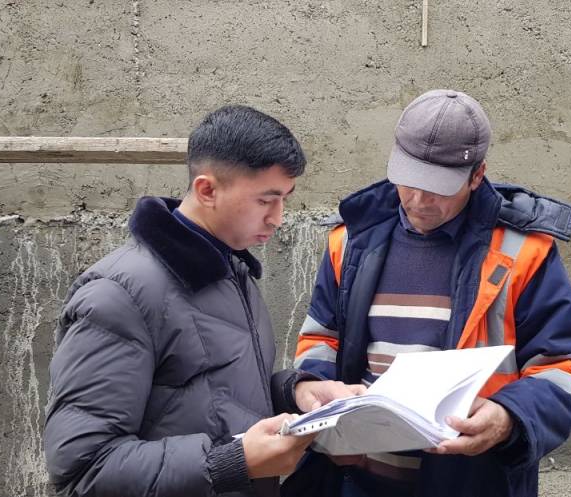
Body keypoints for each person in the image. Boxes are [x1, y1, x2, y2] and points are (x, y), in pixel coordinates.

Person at [287, 90, 571, 497]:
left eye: (438, 188)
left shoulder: (522, 252)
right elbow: (320, 340)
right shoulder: (350, 241)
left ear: (477, 176)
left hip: (472, 482)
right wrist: (318, 394)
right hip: (353, 483)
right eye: (410, 181)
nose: (419, 200)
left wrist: (508, 417)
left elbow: (570, 370)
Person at [44, 105, 364, 497]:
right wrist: (232, 462)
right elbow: (81, 469)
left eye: (284, 199)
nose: (278, 218)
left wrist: (295, 393)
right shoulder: (116, 295)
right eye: (266, 200)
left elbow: (208, 395)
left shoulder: (230, 269)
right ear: (207, 190)